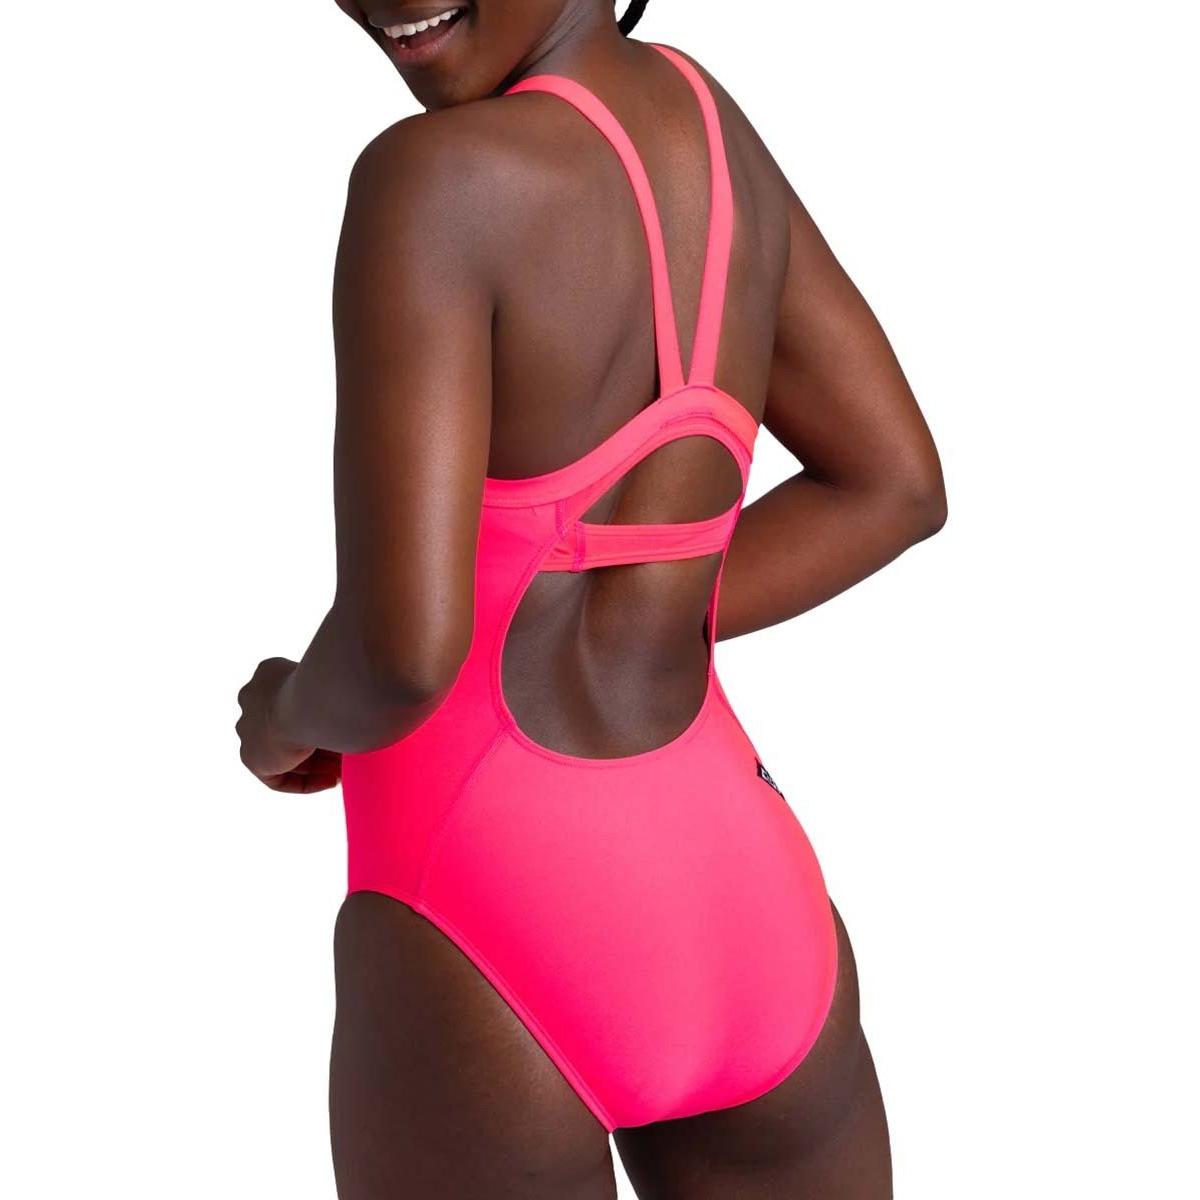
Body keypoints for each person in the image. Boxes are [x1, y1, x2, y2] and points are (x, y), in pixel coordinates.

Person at [236, 2, 946, 1195]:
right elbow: (894, 487)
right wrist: (650, 603)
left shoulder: (431, 182)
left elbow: (403, 655)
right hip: (744, 891)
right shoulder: (710, 130)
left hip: (485, 898)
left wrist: (287, 714)